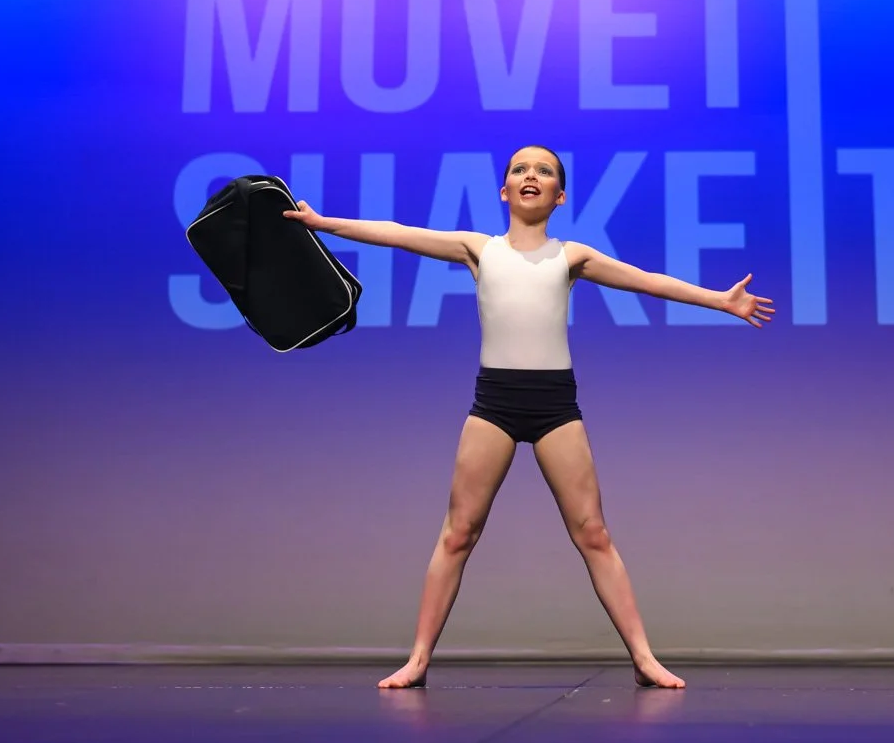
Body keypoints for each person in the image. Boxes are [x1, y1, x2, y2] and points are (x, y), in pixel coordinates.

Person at [283, 145, 775, 690]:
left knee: (593, 532)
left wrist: (719, 301)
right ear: (504, 190)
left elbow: (647, 280)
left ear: (559, 196)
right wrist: (322, 223)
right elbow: (397, 232)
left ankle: (644, 657)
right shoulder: (478, 249)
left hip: (554, 406)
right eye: (520, 169)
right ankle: (418, 659)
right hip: (494, 402)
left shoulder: (572, 257)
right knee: (458, 533)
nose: (531, 175)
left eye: (544, 171)